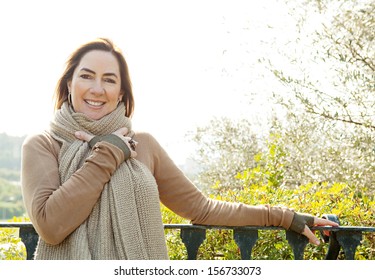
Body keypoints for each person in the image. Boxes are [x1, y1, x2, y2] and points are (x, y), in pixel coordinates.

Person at [21, 38, 338, 260]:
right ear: (68, 84)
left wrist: (285, 217)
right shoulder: (43, 145)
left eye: (109, 80)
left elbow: (201, 208)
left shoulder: (142, 144)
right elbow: (50, 227)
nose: (97, 88)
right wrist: (110, 152)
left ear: (120, 94)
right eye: (87, 76)